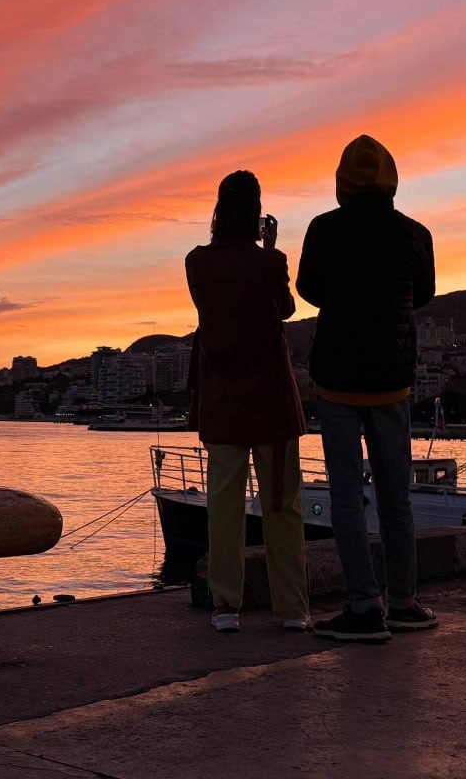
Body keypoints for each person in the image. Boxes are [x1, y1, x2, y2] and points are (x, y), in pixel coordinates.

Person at [296, 134, 437, 642]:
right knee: (396, 497)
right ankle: (404, 602)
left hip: (338, 379)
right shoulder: (415, 234)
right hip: (392, 380)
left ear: (342, 182)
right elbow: (423, 294)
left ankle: (363, 607)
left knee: (346, 497)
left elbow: (308, 289)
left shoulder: (324, 228)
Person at [186, 170, 310, 633]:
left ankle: (224, 607)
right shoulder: (269, 262)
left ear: (219, 210)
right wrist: (271, 249)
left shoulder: (196, 262)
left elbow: (213, 309)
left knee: (224, 506)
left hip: (222, 399)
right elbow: (285, 309)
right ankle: (292, 608)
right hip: (271, 400)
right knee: (281, 505)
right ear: (257, 212)